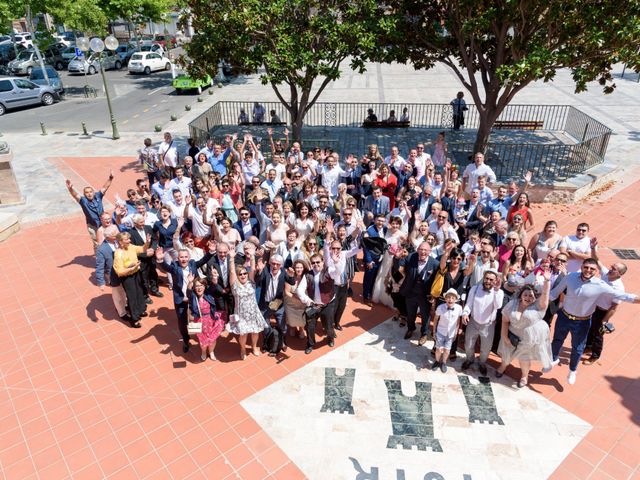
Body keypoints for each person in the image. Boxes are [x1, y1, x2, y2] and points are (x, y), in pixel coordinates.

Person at [548, 258, 640, 384]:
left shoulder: (600, 285)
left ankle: (573, 370)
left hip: (582, 322)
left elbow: (623, 296)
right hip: (564, 317)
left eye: (592, 269)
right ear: (581, 267)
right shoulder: (570, 277)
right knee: (557, 340)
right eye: (586, 267)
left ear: (596, 271)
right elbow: (554, 293)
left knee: (578, 348)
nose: (588, 270)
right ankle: (553, 359)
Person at [496, 270, 553, 387]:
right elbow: (505, 321)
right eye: (525, 294)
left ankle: (524, 376)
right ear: (521, 295)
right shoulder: (512, 304)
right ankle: (502, 367)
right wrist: (505, 336)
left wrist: (547, 281)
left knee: (524, 359)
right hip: (512, 336)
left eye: (531, 295)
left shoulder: (538, 306)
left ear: (534, 297)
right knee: (506, 356)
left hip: (528, 339)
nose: (528, 297)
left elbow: (545, 295)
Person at [155, 243, 215, 353]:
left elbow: (202, 261)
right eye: (181, 257)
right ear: (178, 258)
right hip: (181, 299)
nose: (184, 259)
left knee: (197, 317)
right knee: (182, 322)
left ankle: (200, 336)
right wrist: (160, 260)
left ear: (189, 258)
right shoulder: (174, 266)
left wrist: (210, 252)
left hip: (193, 298)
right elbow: (166, 267)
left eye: (186, 257)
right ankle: (186, 341)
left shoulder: (192, 264)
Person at [584, 242, 628, 365]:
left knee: (598, 334)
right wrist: (593, 248)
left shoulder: (619, 288)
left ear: (619, 274)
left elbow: (614, 306)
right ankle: (588, 346)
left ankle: (595, 355)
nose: (610, 269)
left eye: (613, 269)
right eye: (611, 267)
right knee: (589, 328)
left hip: (602, 312)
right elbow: (596, 260)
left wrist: (605, 320)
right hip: (592, 307)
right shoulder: (606, 274)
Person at [297, 249, 345, 354]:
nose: (315, 264)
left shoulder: (329, 271)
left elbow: (338, 272)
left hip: (328, 304)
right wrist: (308, 301)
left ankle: (330, 338)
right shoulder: (308, 275)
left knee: (328, 326)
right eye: (313, 263)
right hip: (314, 305)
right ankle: (310, 344)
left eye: (318, 262)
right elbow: (299, 290)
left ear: (322, 262)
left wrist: (336, 262)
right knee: (310, 327)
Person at [226, 246, 268, 359]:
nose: (243, 275)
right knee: (243, 334)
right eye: (241, 274)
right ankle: (243, 349)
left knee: (255, 332)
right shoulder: (235, 285)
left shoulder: (251, 282)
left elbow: (253, 268)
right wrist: (231, 258)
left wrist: (252, 256)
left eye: (245, 273)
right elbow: (231, 271)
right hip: (241, 314)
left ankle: (254, 347)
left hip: (253, 312)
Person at [461, 270, 504, 376]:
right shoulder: (475, 289)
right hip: (473, 322)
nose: (488, 281)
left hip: (488, 325)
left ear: (495, 281)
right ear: (483, 278)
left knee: (486, 348)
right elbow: (469, 304)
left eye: (491, 279)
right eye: (486, 278)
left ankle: (482, 363)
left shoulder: (499, 292)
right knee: (468, 344)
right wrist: (465, 313)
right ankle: (470, 359)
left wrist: (497, 291)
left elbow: (498, 306)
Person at [399, 242, 439, 340]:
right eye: (421, 249)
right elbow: (401, 265)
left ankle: (424, 334)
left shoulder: (435, 264)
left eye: (425, 250)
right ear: (417, 250)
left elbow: (437, 281)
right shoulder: (411, 257)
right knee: (410, 313)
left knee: (425, 316)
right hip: (411, 292)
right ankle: (410, 329)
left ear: (429, 251)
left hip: (425, 296)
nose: (423, 252)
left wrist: (433, 296)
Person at [65, 170, 114, 252]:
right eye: (87, 193)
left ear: (94, 192)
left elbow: (105, 187)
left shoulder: (98, 196)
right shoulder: (83, 201)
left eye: (91, 192)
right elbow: (75, 195)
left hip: (103, 223)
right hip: (92, 226)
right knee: (97, 243)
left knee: (109, 238)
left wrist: (111, 178)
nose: (89, 194)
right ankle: (99, 258)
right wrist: (70, 189)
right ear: (84, 194)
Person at [113, 231, 151, 328]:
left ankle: (141, 310)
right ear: (120, 242)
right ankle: (134, 319)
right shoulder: (118, 254)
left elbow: (142, 249)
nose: (129, 241)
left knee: (139, 292)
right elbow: (120, 272)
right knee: (132, 297)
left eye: (129, 239)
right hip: (127, 278)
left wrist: (147, 242)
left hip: (136, 274)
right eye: (127, 239)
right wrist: (132, 268)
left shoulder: (130, 247)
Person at [95, 225, 129, 323]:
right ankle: (121, 312)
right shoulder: (102, 249)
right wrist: (101, 282)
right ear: (108, 237)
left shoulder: (118, 242)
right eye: (115, 235)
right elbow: (100, 267)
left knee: (125, 291)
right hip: (113, 276)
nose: (117, 236)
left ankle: (126, 305)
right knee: (118, 295)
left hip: (125, 271)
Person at [188, 277, 225, 361]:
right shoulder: (193, 297)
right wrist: (190, 283)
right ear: (194, 288)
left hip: (211, 320)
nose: (199, 288)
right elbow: (188, 292)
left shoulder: (208, 295)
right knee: (202, 341)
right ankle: (204, 352)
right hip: (199, 321)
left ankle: (211, 352)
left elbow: (213, 288)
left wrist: (215, 280)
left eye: (201, 285)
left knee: (213, 339)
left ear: (204, 287)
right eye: (197, 286)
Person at [431, 288, 463, 373]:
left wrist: (456, 331)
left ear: (456, 300)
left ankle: (444, 362)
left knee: (447, 350)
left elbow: (458, 320)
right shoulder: (440, 307)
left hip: (451, 334)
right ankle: (437, 361)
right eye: (448, 297)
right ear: (445, 299)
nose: (450, 299)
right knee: (438, 349)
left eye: (453, 298)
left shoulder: (459, 308)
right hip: (441, 332)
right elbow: (435, 319)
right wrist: (434, 332)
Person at [285, 259, 308, 339]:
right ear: (294, 268)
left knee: (302, 319)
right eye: (297, 267)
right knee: (291, 320)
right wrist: (298, 297)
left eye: (301, 267)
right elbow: (287, 292)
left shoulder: (306, 277)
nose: (299, 269)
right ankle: (292, 327)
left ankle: (301, 329)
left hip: (302, 304)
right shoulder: (289, 277)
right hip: (291, 303)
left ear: (304, 268)